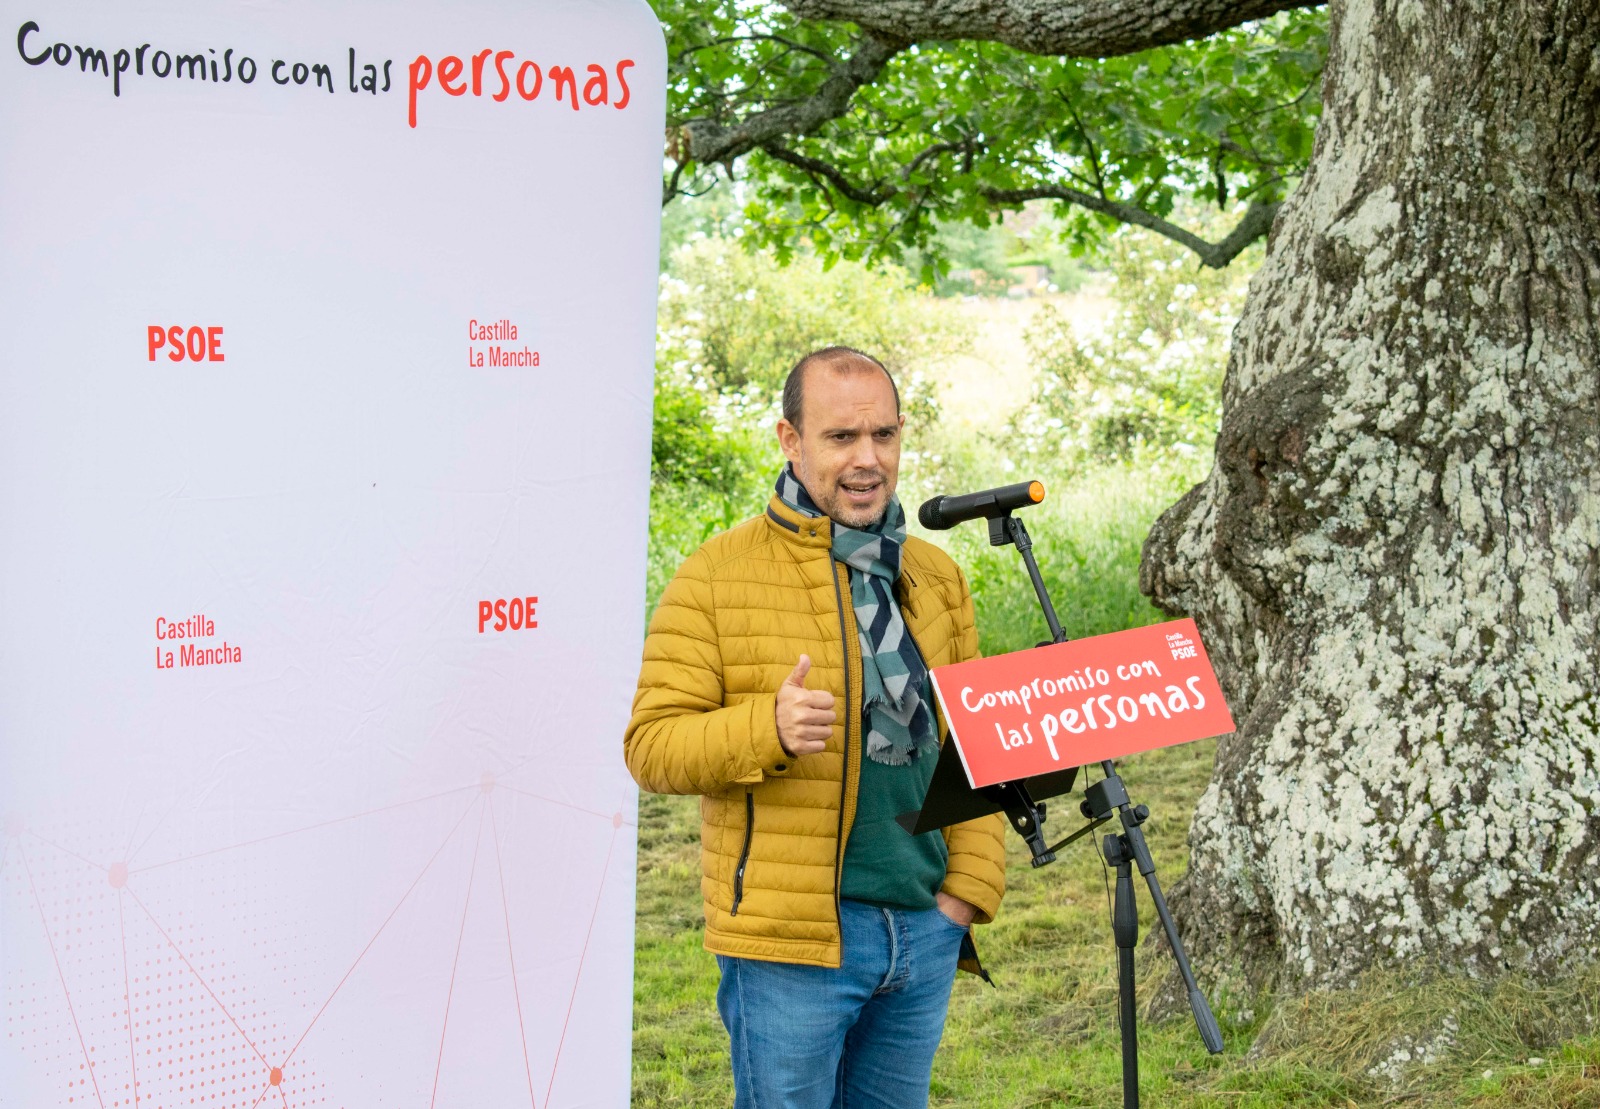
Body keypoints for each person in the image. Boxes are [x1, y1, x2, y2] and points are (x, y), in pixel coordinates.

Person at [624, 346, 1006, 1109]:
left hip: (924, 928)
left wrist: (965, 893)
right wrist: (764, 726)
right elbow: (652, 745)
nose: (868, 460)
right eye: (841, 438)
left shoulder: (934, 575)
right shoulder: (715, 575)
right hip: (793, 944)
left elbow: (976, 745)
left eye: (884, 436)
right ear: (790, 440)